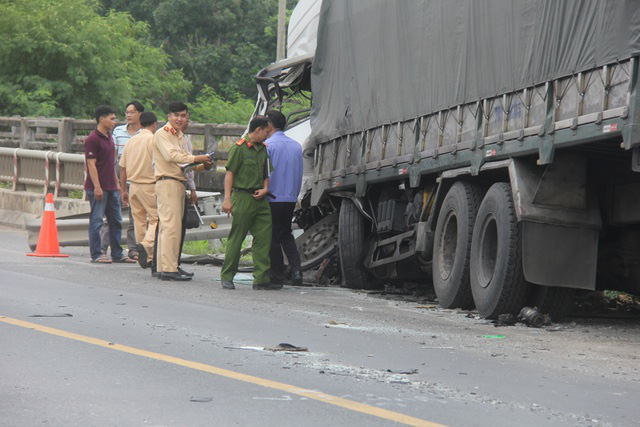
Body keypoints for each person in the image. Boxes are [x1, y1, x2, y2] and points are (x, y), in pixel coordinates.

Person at [153, 102, 211, 281]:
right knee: (170, 227)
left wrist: (202, 165)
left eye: (183, 116)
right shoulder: (162, 134)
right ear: (169, 116)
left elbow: (186, 167)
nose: (180, 119)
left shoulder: (179, 136)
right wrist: (197, 158)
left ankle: (165, 267)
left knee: (170, 227)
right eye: (176, 115)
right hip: (168, 182)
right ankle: (169, 269)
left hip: (178, 182)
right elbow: (172, 156)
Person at [220, 116, 279, 290]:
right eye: (266, 132)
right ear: (258, 130)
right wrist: (227, 198)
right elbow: (229, 173)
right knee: (237, 238)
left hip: (260, 199)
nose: (268, 135)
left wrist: (266, 188)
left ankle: (260, 278)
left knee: (263, 238)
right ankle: (227, 275)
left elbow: (266, 173)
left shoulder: (263, 149)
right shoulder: (239, 149)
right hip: (242, 197)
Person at [84, 105, 135, 264]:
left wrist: (118, 184)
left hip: (112, 187)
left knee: (116, 221)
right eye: (111, 118)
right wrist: (97, 186)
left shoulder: (109, 138)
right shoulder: (92, 139)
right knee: (97, 220)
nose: (114, 121)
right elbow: (91, 165)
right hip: (98, 187)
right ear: (101, 119)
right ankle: (97, 253)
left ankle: (117, 253)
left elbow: (111, 163)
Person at [101, 101, 144, 259]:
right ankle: (103, 248)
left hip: (137, 174)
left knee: (136, 215)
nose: (128, 115)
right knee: (112, 213)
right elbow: (112, 157)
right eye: (127, 112)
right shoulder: (118, 131)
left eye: (132, 112)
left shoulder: (145, 133)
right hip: (119, 173)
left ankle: (133, 249)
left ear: (140, 114)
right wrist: (116, 180)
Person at [265, 110, 304, 286]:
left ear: (269, 125)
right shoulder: (296, 146)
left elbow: (266, 173)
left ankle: (276, 275)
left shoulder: (268, 145)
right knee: (286, 234)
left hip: (272, 196)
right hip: (290, 197)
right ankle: (297, 271)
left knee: (272, 236)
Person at [119, 111, 158, 270]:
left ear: (140, 124)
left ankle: (146, 256)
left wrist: (123, 190)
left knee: (139, 221)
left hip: (132, 185)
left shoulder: (131, 141)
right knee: (156, 219)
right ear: (154, 124)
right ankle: (147, 246)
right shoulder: (154, 140)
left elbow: (122, 168)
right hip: (149, 185)